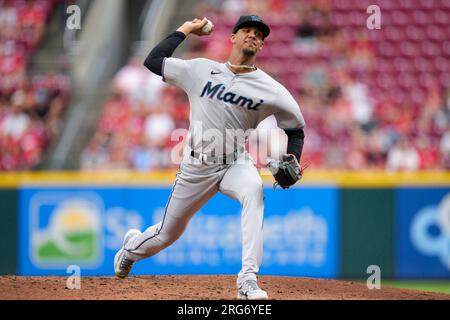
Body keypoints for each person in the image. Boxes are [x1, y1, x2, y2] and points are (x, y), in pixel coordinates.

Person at [114, 15, 306, 300]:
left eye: (258, 34)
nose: (252, 35)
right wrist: (186, 29)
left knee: (254, 191)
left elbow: (296, 130)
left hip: (235, 162)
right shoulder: (201, 70)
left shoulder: (271, 89)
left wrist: (293, 158)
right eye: (246, 30)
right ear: (233, 38)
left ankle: (247, 280)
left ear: (262, 45)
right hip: (196, 165)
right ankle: (131, 249)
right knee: (168, 233)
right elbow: (153, 61)